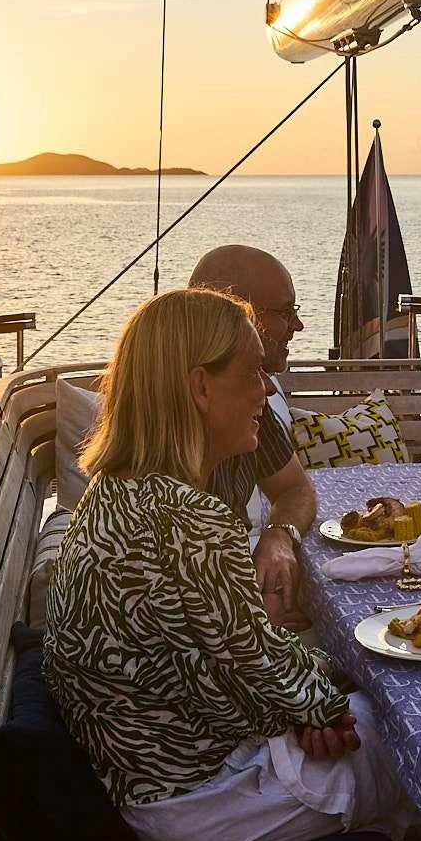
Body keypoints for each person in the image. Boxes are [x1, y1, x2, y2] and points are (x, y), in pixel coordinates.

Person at [44, 288, 405, 841]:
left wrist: (308, 702)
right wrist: (319, 707)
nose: (266, 390)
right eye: (254, 373)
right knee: (414, 736)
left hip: (152, 777)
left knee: (368, 707)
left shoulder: (115, 492)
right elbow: (271, 678)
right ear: (200, 387)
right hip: (200, 801)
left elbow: (249, 670)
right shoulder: (191, 523)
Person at [188, 244, 318, 628]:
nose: (297, 326)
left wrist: (278, 535)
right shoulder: (178, 515)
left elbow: (296, 488)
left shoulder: (243, 411)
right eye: (284, 312)